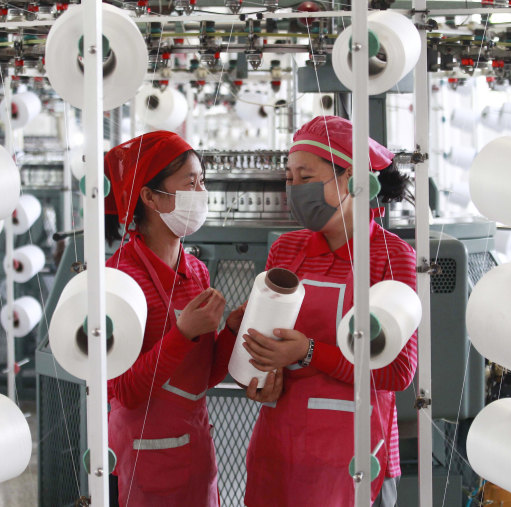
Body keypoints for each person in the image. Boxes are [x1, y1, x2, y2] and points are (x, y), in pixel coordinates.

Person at [243, 116, 418, 506]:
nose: (294, 189)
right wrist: (256, 376)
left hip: (356, 455)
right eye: (289, 178)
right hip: (281, 447)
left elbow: (398, 372)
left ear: (352, 179)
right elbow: (263, 351)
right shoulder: (286, 250)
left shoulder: (391, 257)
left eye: (306, 177)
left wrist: (307, 352)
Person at [103, 131, 243, 506]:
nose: (200, 193)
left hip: (197, 451)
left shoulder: (195, 271)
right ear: (149, 197)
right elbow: (125, 391)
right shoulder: (118, 278)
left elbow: (203, 376)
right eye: (189, 184)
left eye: (202, 182)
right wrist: (183, 334)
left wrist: (230, 330)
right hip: (143, 457)